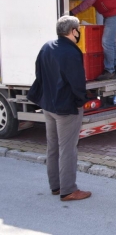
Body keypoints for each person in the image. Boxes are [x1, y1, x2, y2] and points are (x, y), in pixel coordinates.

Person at [26, 16, 92, 201]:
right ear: (73, 31)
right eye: (78, 29)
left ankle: (56, 186)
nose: (79, 32)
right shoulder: (71, 52)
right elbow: (77, 83)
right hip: (66, 108)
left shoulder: (47, 46)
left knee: (53, 147)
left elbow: (39, 73)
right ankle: (69, 190)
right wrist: (81, 101)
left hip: (48, 105)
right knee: (68, 149)